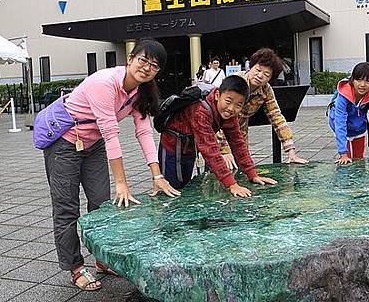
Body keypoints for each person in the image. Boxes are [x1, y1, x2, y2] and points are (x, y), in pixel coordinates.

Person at [43, 39, 180, 291]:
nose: (147, 68)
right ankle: (74, 266)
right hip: (64, 144)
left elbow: (144, 132)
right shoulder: (104, 83)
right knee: (67, 210)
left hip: (92, 145)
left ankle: (102, 259)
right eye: (143, 60)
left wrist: (157, 175)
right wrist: (121, 182)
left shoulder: (142, 92)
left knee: (100, 204)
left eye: (154, 65)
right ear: (130, 59)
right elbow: (110, 132)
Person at [159, 75, 277, 196]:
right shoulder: (201, 111)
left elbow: (238, 143)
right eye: (228, 101)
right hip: (171, 145)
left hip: (190, 147)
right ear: (217, 96)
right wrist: (232, 184)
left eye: (238, 105)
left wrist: (252, 174)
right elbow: (210, 151)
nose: (231, 108)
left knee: (184, 186)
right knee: (171, 190)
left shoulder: (229, 114)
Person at [217, 48, 308, 169]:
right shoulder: (236, 81)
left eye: (266, 74)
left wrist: (291, 150)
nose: (260, 76)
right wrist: (224, 150)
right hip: (217, 132)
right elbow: (220, 115)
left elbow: (276, 117)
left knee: (243, 169)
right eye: (258, 70)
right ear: (251, 67)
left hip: (239, 134)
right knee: (221, 170)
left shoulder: (266, 90)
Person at [328, 62, 369, 165]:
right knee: (345, 160)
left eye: (367, 81)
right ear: (352, 80)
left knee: (359, 159)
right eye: (359, 80)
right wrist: (343, 153)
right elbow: (340, 123)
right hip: (340, 124)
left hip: (358, 126)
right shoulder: (343, 95)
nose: (362, 85)